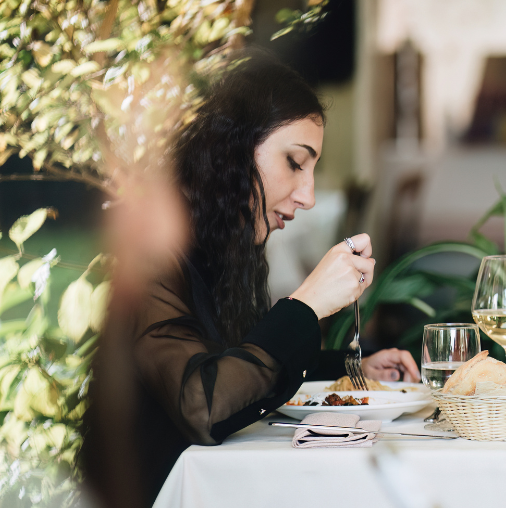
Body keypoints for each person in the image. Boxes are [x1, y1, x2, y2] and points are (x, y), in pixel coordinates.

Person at [86, 57, 419, 505]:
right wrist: (306, 305)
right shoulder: (155, 258)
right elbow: (204, 405)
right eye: (295, 162)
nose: (308, 196)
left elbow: (240, 362)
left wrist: (348, 369)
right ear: (232, 149)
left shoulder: (222, 249)